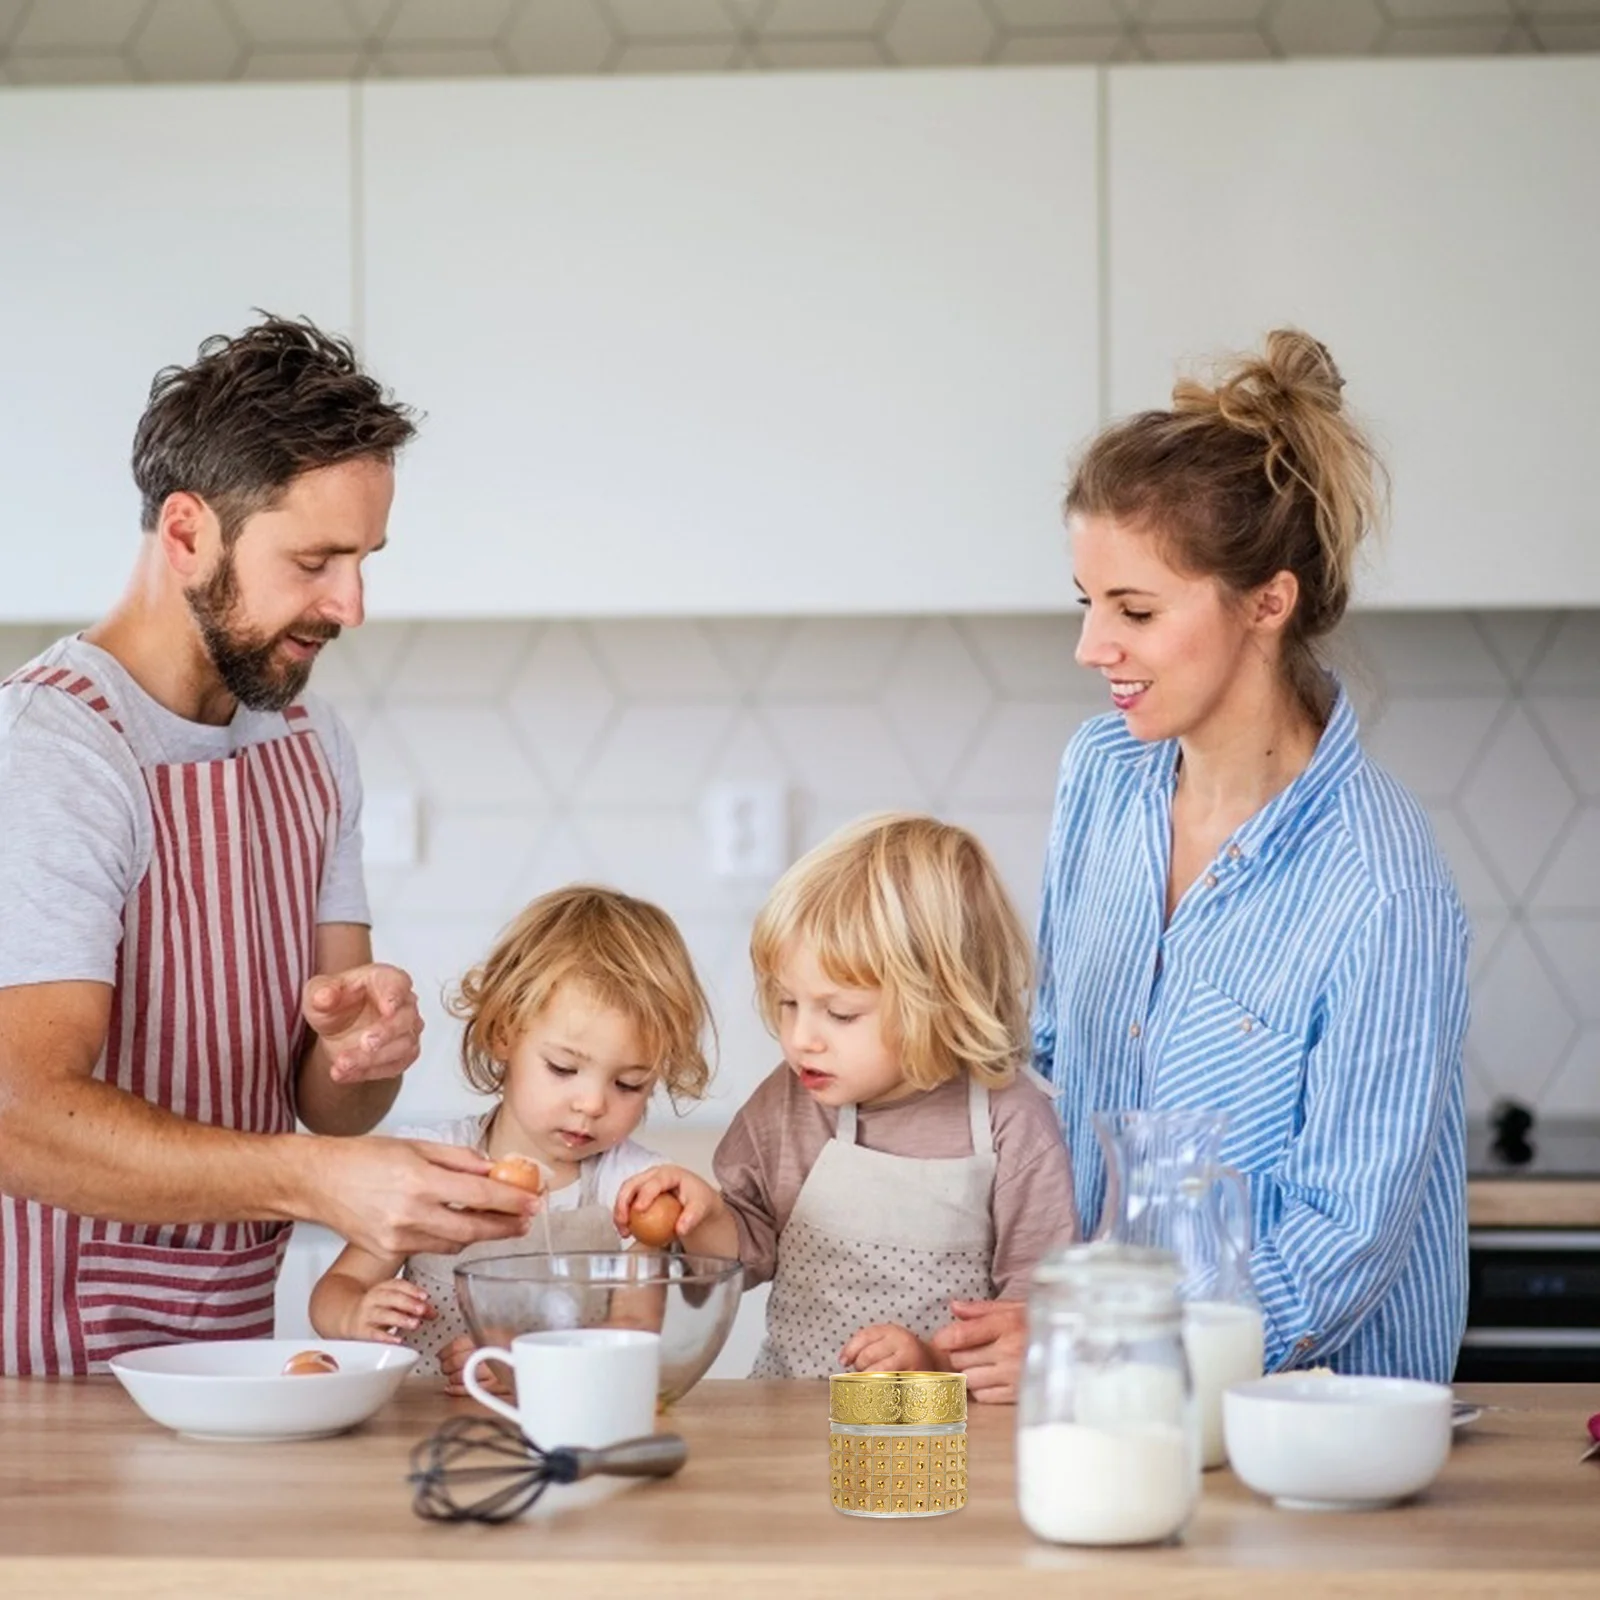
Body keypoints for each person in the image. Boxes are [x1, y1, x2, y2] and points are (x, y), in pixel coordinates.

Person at [933, 328, 1470, 1398]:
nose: (1092, 647)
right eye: (1085, 603)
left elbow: (1343, 1239)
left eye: (1133, 610)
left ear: (1266, 604)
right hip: (1108, 1401)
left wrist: (1115, 1345)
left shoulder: (1379, 887)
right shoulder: (1100, 775)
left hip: (1310, 1437)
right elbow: (1050, 1065)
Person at [0, 316, 541, 1376]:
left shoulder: (308, 745)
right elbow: (18, 1111)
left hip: (224, 1362)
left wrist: (363, 1051)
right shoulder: (52, 753)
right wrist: (309, 1178)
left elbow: (327, 1102)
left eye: (363, 559)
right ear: (189, 532)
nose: (351, 605)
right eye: (315, 560)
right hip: (40, 1381)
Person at [616, 814, 1077, 1385]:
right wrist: (705, 1215)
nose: (800, 1038)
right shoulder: (788, 1105)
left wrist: (934, 1365)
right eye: (787, 1003)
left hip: (935, 1433)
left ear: (941, 1002)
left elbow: (1036, 1315)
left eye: (840, 1013)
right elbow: (748, 1252)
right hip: (790, 1416)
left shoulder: (1009, 1123)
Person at [309, 885, 714, 1389]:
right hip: (419, 1429)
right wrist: (354, 1315)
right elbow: (334, 1291)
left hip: (569, 1432)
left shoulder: (630, 1189)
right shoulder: (435, 1165)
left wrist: (529, 1366)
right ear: (504, 1033)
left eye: (629, 1084)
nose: (592, 1104)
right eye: (563, 1068)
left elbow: (633, 1331)